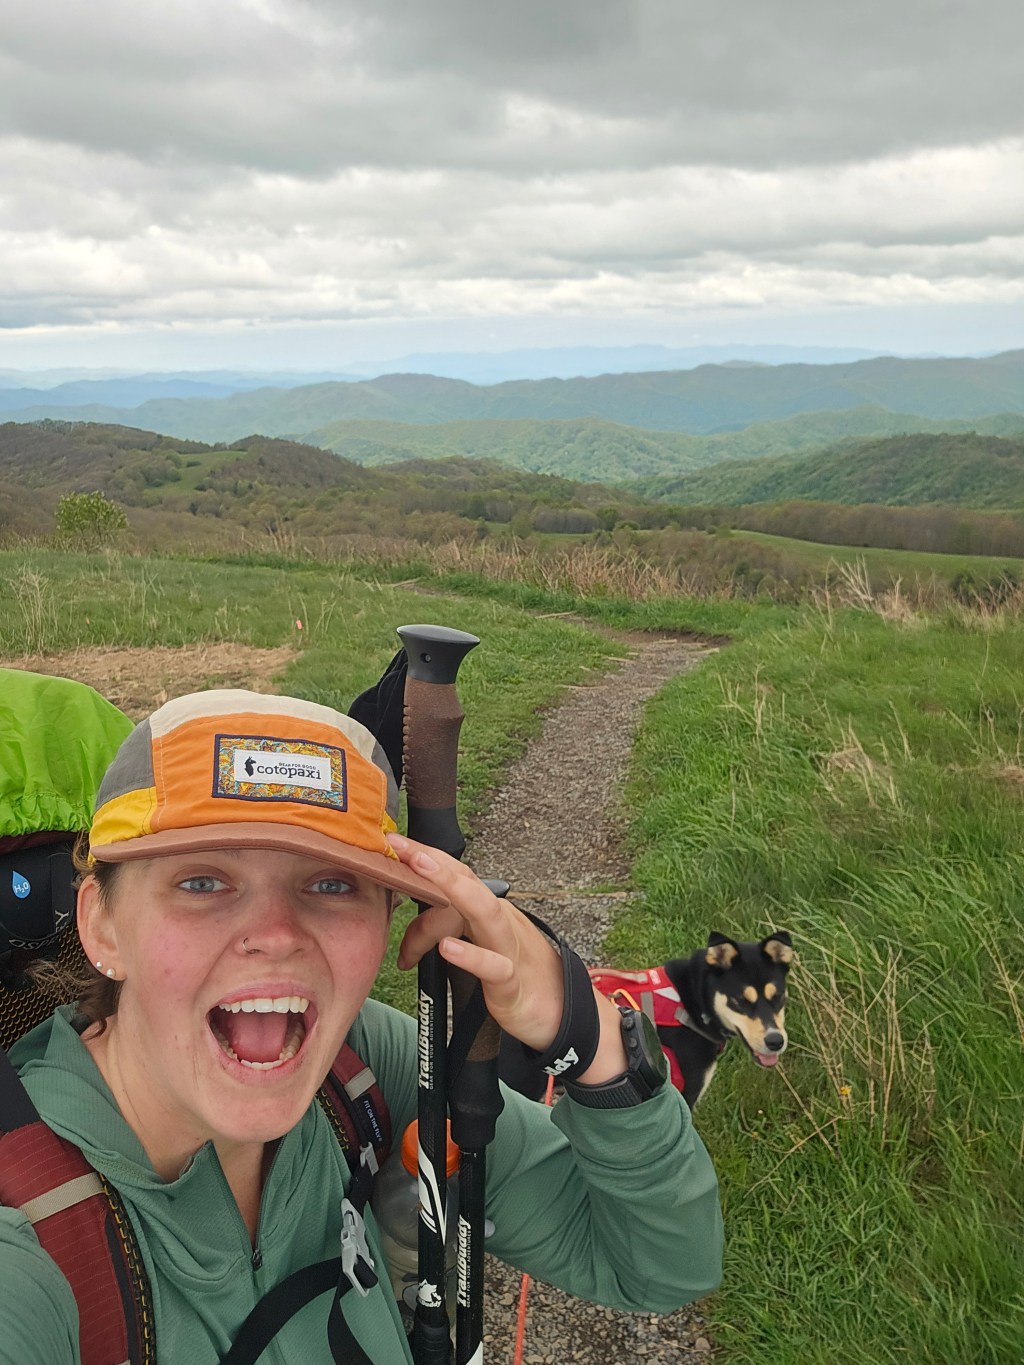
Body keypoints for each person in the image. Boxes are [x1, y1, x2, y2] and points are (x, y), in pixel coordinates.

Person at [2, 689, 722, 1363]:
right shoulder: (27, 1235)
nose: (277, 933)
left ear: (387, 923)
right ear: (102, 925)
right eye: (203, 881)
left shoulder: (357, 1070)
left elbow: (657, 1264)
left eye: (331, 883)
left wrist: (583, 1030)